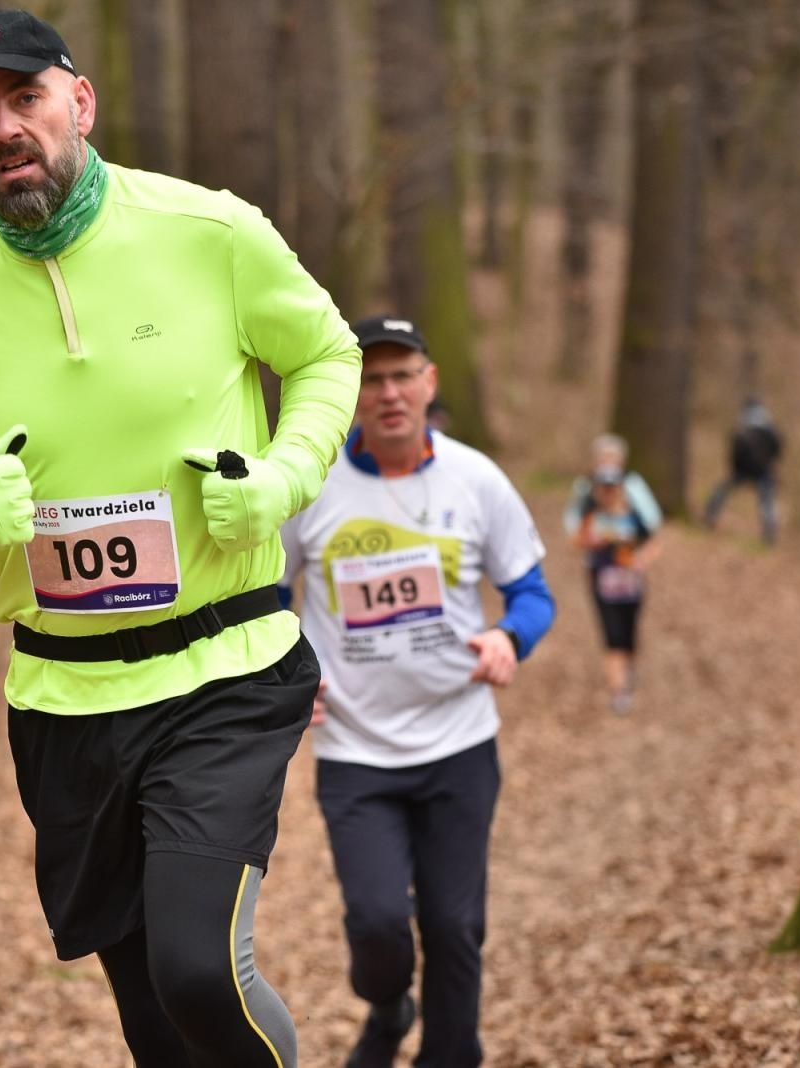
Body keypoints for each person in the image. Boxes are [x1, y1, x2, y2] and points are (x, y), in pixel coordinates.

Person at [0, 10, 361, 1066]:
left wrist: (281, 479)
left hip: (222, 668)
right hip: (64, 702)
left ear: (79, 103)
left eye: (24, 100)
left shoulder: (211, 232)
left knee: (200, 968)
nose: (3, 128)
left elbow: (329, 356)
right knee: (155, 1013)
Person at [278, 316, 556, 1068]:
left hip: (459, 743)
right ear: (352, 392)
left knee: (455, 925)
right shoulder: (312, 482)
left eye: (404, 376)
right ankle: (387, 1003)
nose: (389, 393)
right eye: (372, 379)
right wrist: (285, 675)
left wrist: (509, 638)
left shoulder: (475, 480)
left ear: (431, 384)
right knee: (375, 923)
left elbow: (532, 593)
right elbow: (267, 596)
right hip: (354, 748)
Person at [562, 435, 662, 713]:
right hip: (601, 574)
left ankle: (627, 670)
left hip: (630, 578)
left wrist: (641, 557)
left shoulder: (633, 489)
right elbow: (573, 530)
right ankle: (618, 690)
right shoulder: (585, 495)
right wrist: (588, 539)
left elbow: (651, 528)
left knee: (629, 631)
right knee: (612, 633)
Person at [703, 396, 782, 544]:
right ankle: (770, 533)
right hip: (763, 471)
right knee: (767, 503)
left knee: (721, 491)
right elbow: (778, 448)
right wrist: (771, 464)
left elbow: (734, 452)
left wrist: (736, 469)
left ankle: (710, 517)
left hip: (743, 470)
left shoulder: (742, 426)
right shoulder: (769, 427)